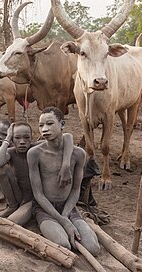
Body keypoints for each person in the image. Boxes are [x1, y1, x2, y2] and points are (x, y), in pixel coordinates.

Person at [27, 106, 100, 256]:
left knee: (93, 248)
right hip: (45, 209)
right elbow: (38, 194)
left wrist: (66, 216)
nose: (44, 129)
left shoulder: (78, 154)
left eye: (49, 123)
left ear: (62, 125)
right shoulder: (35, 153)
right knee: (63, 245)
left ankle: (69, 223)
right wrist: (62, 220)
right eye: (41, 125)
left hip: (69, 207)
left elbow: (75, 190)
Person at [0, 121, 74, 226]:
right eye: (17, 138)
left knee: (13, 222)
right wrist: (7, 139)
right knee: (0, 169)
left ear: (32, 137)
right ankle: (12, 206)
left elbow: (67, 137)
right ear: (12, 139)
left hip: (37, 198)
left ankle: (30, 212)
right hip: (20, 196)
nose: (22, 142)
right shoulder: (11, 152)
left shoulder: (37, 148)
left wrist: (66, 165)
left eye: (26, 137)